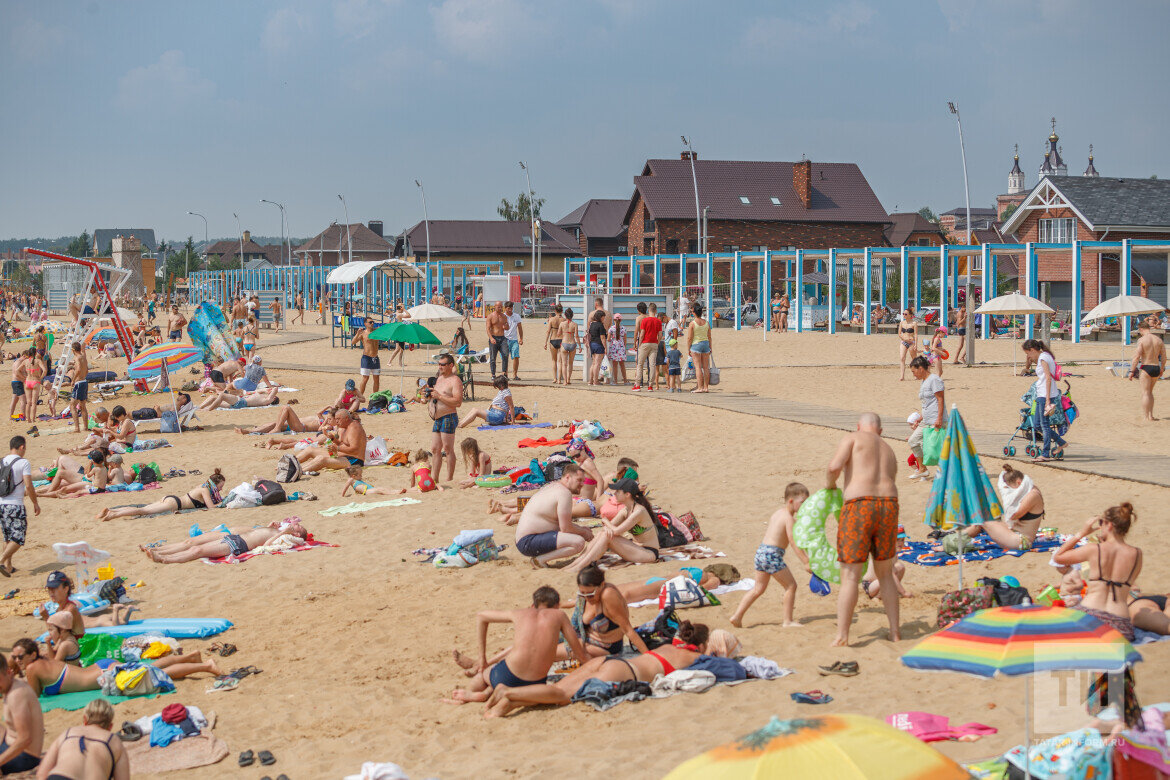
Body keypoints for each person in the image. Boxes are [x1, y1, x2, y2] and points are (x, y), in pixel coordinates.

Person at [481, 620, 726, 718]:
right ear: (702, 646)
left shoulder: (668, 646)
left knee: (556, 690)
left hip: (607, 661)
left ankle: (505, 703)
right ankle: (508, 692)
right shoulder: (692, 658)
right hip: (624, 671)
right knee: (562, 697)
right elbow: (725, 667)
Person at [826, 412, 901, 646]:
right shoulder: (889, 448)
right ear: (880, 430)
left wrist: (829, 487)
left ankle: (843, 635)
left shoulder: (853, 438)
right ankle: (895, 632)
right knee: (886, 574)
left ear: (859, 426)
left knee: (850, 576)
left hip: (859, 505)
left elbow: (834, 467)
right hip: (889, 505)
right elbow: (892, 477)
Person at [444, 586, 587, 707]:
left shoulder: (520, 613)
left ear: (533, 606)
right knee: (504, 672)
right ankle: (485, 692)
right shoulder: (560, 615)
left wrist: (482, 658)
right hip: (536, 684)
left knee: (484, 673)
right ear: (557, 606)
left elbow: (481, 616)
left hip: (507, 676)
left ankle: (472, 693)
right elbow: (579, 653)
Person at [1053, 503, 1142, 641]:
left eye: (1101, 523)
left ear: (1109, 525)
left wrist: (1081, 533)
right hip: (1120, 625)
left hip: (1090, 617)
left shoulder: (1094, 549)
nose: (1100, 527)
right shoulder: (1137, 554)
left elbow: (1058, 558)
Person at [729, 482, 810, 628]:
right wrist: (805, 561)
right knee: (791, 586)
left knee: (757, 589)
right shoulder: (789, 518)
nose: (805, 505)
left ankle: (737, 616)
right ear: (791, 501)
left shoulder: (778, 513)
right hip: (772, 555)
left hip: (761, 553)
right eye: (803, 502)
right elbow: (793, 542)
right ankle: (787, 621)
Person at [10, 639, 220, 694]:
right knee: (152, 666)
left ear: (32, 655)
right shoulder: (44, 660)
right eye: (15, 657)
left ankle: (206, 666)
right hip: (101, 667)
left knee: (156, 673)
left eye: (21, 657)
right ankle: (191, 657)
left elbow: (34, 694)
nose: (18, 660)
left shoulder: (32, 669)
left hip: (104, 674)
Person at [564, 477, 660, 574]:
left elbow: (617, 531)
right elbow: (609, 527)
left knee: (607, 535)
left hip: (648, 553)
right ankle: (577, 563)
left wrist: (606, 521)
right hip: (636, 547)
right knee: (603, 533)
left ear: (627, 494)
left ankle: (580, 566)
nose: (615, 494)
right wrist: (607, 525)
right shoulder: (626, 510)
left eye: (618, 491)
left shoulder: (639, 511)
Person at [514, 464, 593, 568]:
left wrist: (582, 529)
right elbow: (566, 528)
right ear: (568, 477)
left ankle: (540, 559)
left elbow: (562, 524)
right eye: (579, 480)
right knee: (578, 542)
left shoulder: (553, 486)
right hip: (528, 541)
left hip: (524, 539)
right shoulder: (564, 493)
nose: (582, 484)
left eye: (583, 481)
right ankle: (539, 560)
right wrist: (584, 532)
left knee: (577, 534)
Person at [36, 697, 129, 780]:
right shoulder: (114, 742)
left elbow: (41, 774)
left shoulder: (68, 733)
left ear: (85, 720)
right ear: (110, 726)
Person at [141, 519, 308, 563]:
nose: (295, 525)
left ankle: (164, 558)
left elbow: (266, 546)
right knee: (191, 544)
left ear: (298, 535)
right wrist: (269, 527)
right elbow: (259, 533)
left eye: (298, 527)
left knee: (197, 551)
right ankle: (159, 551)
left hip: (239, 544)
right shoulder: (281, 531)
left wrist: (283, 532)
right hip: (235, 537)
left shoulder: (289, 538)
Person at [962, 464, 1044, 551]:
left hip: (1022, 541)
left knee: (982, 520)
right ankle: (955, 539)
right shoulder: (1029, 489)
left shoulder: (1032, 495)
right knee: (982, 520)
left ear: (1019, 483)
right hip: (1015, 534)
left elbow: (1014, 515)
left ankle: (954, 541)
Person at [98, 469, 225, 521]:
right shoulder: (205, 491)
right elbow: (211, 507)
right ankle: (113, 515)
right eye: (220, 487)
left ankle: (111, 510)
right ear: (215, 484)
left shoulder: (202, 486)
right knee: (143, 510)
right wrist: (223, 503)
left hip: (172, 499)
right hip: (174, 504)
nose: (220, 490)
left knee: (145, 508)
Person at [1022, 339, 1066, 462]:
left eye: (1027, 353)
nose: (1028, 356)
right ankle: (1061, 442)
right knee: (1036, 424)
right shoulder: (1044, 356)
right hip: (1042, 394)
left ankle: (1045, 453)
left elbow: (1048, 378)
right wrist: (1028, 362)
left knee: (1044, 425)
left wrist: (1047, 399)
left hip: (1045, 395)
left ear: (1032, 349)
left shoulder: (1043, 358)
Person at [0, 435, 38, 577]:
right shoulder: (23, 462)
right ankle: (2, 560)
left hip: (2, 503)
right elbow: (28, 485)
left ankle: (8, 567)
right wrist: (35, 503)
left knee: (8, 537)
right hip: (15, 504)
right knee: (19, 537)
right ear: (22, 447)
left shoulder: (2, 461)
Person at [0, 652, 43, 774]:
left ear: (8, 673)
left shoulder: (17, 695)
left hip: (24, 758)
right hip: (10, 745)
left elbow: (25, 739)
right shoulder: (9, 685)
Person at [907, 356, 945, 480]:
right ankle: (922, 469)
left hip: (935, 420)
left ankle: (947, 473)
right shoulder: (924, 382)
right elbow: (927, 404)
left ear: (921, 368)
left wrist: (939, 419)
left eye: (914, 371)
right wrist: (919, 418)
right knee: (913, 441)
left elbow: (940, 399)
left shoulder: (934, 380)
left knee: (937, 448)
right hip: (925, 420)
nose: (913, 374)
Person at [297, 409, 366, 472]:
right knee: (310, 449)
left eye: (338, 419)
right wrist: (333, 439)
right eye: (336, 419)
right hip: (343, 455)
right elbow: (342, 444)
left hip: (354, 460)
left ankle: (298, 472)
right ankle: (290, 464)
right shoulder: (344, 427)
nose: (336, 421)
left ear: (346, 418)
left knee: (322, 459)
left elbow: (354, 449)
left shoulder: (354, 427)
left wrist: (337, 448)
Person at [1128, 321, 1166, 422]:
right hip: (1156, 367)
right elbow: (1164, 357)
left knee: (1145, 393)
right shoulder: (1158, 340)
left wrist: (1132, 371)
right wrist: (1162, 368)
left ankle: (1145, 417)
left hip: (1146, 366)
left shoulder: (1142, 340)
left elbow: (1137, 357)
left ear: (1141, 329)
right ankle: (1151, 415)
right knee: (1150, 392)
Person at [632, 302, 661, 391]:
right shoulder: (658, 321)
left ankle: (637, 385)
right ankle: (650, 385)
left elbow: (641, 334)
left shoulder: (644, 320)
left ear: (649, 310)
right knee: (652, 365)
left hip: (645, 343)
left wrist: (639, 344)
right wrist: (657, 342)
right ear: (655, 311)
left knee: (640, 364)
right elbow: (660, 335)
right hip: (654, 343)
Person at [686, 302, 713, 393]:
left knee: (698, 367)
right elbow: (709, 336)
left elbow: (690, 338)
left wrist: (688, 348)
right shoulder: (707, 323)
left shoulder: (692, 323)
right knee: (706, 367)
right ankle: (706, 387)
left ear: (694, 313)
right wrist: (710, 347)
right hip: (705, 344)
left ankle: (700, 387)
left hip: (696, 345)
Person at [352, 319, 383, 395]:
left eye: (373, 322)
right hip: (366, 358)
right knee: (365, 378)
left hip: (375, 358)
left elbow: (386, 329)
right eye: (370, 322)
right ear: (365, 323)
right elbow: (353, 342)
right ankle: (360, 396)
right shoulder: (363, 333)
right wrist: (357, 334)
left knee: (376, 379)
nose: (372, 323)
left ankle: (374, 397)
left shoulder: (377, 331)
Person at [196, 386, 279, 411]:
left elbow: (275, 389)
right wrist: (265, 390)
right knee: (213, 397)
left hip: (240, 402)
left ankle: (209, 409)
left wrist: (270, 391)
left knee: (222, 395)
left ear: (273, 398)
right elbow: (256, 391)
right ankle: (199, 408)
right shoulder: (263, 398)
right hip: (237, 404)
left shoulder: (268, 400)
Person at [67, 342, 89, 434]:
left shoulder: (77, 358)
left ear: (73, 350)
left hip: (79, 382)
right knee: (83, 406)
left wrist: (73, 380)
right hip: (84, 381)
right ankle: (85, 427)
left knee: (72, 405)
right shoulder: (83, 356)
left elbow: (79, 369)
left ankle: (77, 428)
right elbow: (86, 369)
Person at [485, 302, 507, 378]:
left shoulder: (504, 316)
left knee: (505, 355)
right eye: (499, 307)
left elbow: (507, 327)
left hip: (502, 338)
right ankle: (493, 374)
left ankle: (504, 373)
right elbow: (487, 329)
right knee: (493, 357)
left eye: (501, 307)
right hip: (494, 337)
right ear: (495, 306)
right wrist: (491, 338)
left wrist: (506, 326)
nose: (500, 308)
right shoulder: (490, 316)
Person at [557, 308, 579, 386]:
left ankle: (565, 381)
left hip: (564, 343)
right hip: (572, 343)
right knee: (570, 363)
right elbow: (576, 336)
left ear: (565, 315)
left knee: (564, 364)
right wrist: (579, 346)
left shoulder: (562, 324)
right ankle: (569, 379)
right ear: (572, 315)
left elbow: (558, 334)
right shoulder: (575, 324)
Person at [503, 301, 523, 380]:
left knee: (516, 356)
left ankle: (515, 374)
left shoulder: (516, 316)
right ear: (505, 308)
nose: (510, 310)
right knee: (505, 357)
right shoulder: (503, 316)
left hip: (514, 339)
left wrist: (521, 338)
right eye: (508, 308)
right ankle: (505, 374)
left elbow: (520, 328)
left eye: (511, 308)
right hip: (504, 339)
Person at [586, 310, 607, 385]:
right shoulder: (600, 325)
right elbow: (603, 338)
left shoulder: (592, 324)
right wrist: (605, 347)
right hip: (599, 344)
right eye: (603, 317)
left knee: (594, 363)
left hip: (592, 344)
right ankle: (596, 381)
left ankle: (591, 381)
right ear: (600, 317)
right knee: (597, 364)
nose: (604, 319)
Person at [606, 313, 627, 385]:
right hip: (621, 347)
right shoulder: (624, 328)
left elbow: (608, 339)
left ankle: (615, 381)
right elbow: (625, 340)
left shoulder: (611, 329)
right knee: (622, 365)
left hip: (614, 347)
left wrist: (612, 338)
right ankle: (625, 380)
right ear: (621, 320)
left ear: (614, 320)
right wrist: (624, 348)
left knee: (615, 365)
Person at [544, 305, 563, 384]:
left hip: (553, 339)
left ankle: (555, 378)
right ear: (562, 311)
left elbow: (548, 331)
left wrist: (545, 342)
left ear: (555, 311)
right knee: (560, 361)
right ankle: (559, 379)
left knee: (553, 361)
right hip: (561, 339)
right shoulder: (564, 320)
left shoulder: (551, 319)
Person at [897, 309, 917, 381]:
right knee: (902, 358)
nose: (904, 315)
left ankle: (915, 374)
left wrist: (916, 344)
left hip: (911, 342)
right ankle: (902, 376)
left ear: (910, 315)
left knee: (914, 359)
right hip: (904, 341)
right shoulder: (902, 323)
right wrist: (904, 339)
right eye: (903, 314)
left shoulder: (914, 323)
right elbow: (899, 333)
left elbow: (916, 334)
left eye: (906, 314)